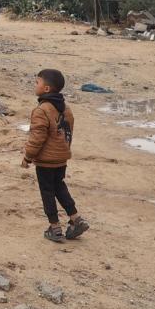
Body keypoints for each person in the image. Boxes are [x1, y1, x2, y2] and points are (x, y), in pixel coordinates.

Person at [21, 68, 90, 243]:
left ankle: (55, 227)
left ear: (46, 89)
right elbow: (68, 133)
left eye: (37, 82)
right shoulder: (66, 108)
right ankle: (76, 219)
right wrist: (63, 151)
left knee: (47, 192)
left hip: (46, 161)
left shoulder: (42, 110)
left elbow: (37, 138)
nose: (34, 85)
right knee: (59, 187)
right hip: (61, 157)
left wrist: (28, 157)